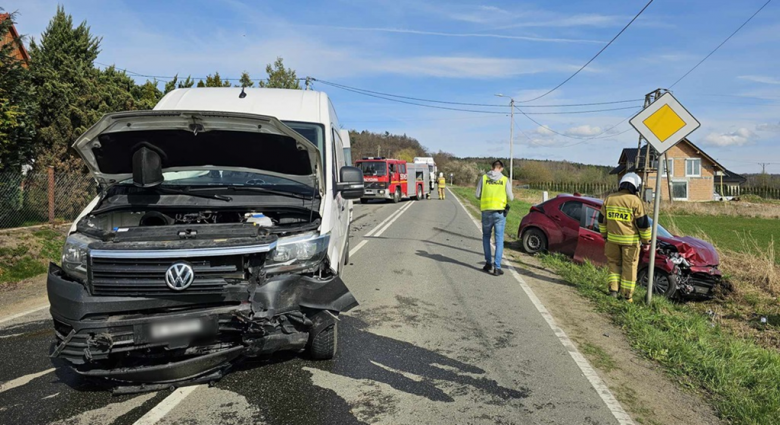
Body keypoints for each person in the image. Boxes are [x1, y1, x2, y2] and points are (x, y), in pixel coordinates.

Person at [598, 172, 652, 302]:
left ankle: (613, 290)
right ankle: (627, 296)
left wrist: (605, 236)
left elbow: (601, 220)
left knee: (613, 264)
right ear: (635, 187)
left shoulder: (609, 199)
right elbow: (643, 224)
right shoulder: (635, 201)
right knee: (629, 267)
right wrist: (646, 241)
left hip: (612, 240)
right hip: (630, 242)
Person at [475, 160, 513, 276]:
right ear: (501, 168)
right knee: (499, 240)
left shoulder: (484, 178)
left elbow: (477, 195)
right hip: (499, 213)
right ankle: (497, 267)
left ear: (492, 167)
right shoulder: (505, 180)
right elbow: (511, 198)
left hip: (486, 212)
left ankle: (488, 263)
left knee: (486, 237)